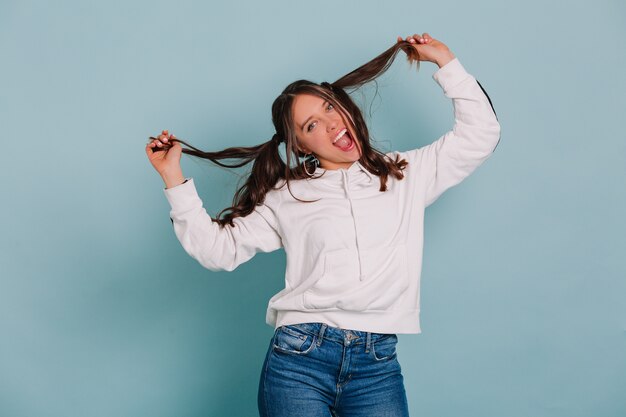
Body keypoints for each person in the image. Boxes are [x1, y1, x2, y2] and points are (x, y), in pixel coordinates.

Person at [145, 32, 501, 417]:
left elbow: (481, 135)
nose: (331, 125)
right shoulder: (288, 195)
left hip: (377, 365)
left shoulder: (406, 175)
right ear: (300, 146)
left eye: (330, 108)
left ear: (346, 108)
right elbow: (218, 251)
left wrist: (445, 62)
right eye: (311, 126)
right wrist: (173, 178)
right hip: (299, 360)